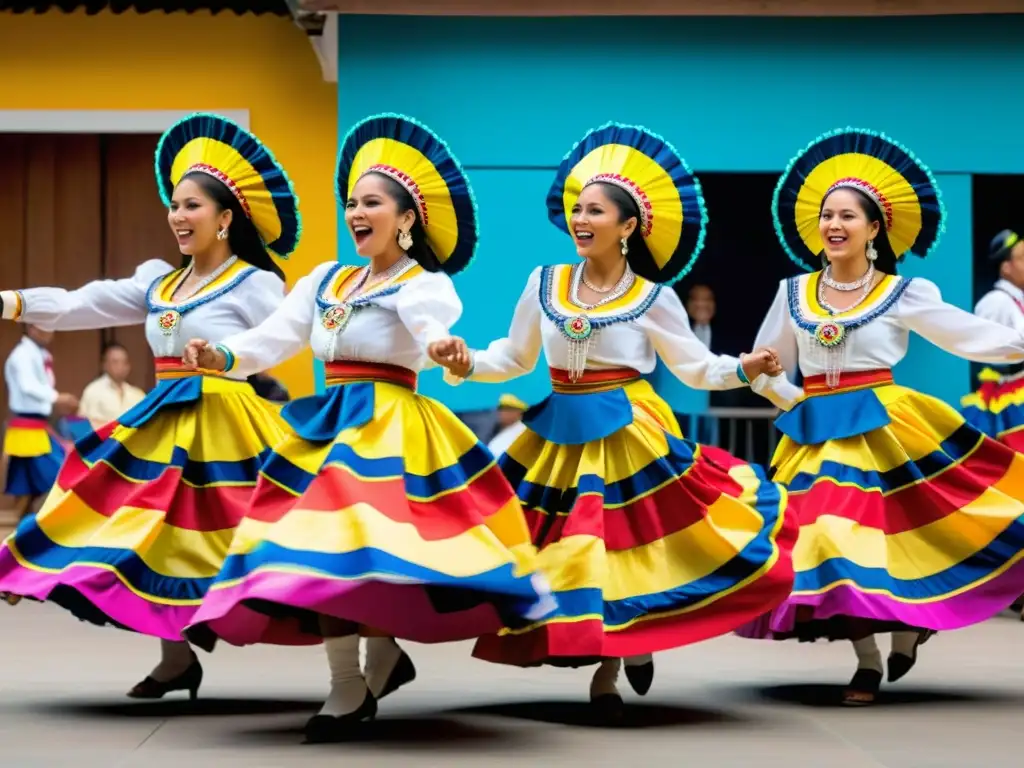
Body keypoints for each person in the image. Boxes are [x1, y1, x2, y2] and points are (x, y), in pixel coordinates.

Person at [179, 114, 554, 743]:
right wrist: (223, 356)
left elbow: (430, 323)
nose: (356, 211)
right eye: (351, 201)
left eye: (372, 202)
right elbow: (273, 339)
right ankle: (359, 673)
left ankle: (359, 677)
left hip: (388, 432)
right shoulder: (325, 280)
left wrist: (446, 351)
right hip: (330, 426)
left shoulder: (423, 282)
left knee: (365, 551)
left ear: (406, 218)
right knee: (325, 550)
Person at [428, 122, 796, 720]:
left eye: (595, 210)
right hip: (556, 429)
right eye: (577, 208)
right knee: (553, 543)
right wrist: (465, 360)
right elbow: (514, 359)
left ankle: (610, 668)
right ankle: (616, 639)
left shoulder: (654, 298)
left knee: (617, 546)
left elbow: (697, 369)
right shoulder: (543, 283)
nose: (581, 218)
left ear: (627, 227)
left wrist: (745, 366)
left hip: (626, 429)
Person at [0, 113, 297, 700]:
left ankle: (366, 652)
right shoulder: (158, 282)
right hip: (167, 420)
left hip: (230, 424)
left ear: (226, 218)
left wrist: (228, 355)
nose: (178, 217)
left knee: (275, 535)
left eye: (192, 207)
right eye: (175, 206)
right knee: (154, 530)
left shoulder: (255, 284)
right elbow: (79, 304)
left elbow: (285, 339)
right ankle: (175, 658)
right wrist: (10, 300)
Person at [737, 128, 1024, 706]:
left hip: (886, 426)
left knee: (893, 541)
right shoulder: (793, 292)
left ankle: (908, 626)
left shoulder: (902, 292)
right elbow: (766, 369)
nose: (834, 224)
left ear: (874, 229)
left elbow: (976, 337)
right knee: (828, 542)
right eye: (826, 215)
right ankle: (867, 658)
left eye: (847, 215)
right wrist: (775, 385)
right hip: (816, 436)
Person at [2, 325, 78, 519]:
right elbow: (28, 386)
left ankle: (22, 533)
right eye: (45, 325)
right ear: (32, 328)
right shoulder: (22, 355)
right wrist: (57, 397)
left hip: (38, 428)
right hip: (27, 431)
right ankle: (24, 531)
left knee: (28, 488)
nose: (51, 330)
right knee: (57, 475)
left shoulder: (40, 354)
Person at [960, 229, 1024, 451]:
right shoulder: (996, 302)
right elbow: (987, 349)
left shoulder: (1019, 300)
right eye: (1023, 258)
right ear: (1006, 267)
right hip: (1012, 394)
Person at [77, 341, 146, 430]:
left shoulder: (138, 394)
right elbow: (83, 424)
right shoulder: (93, 391)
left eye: (124, 362)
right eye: (115, 362)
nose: (120, 366)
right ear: (104, 365)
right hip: (104, 442)